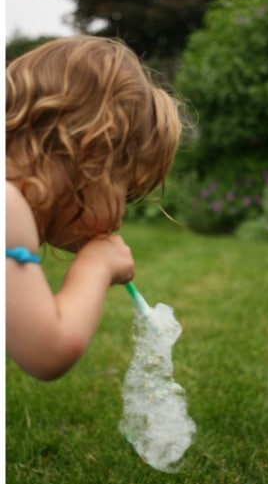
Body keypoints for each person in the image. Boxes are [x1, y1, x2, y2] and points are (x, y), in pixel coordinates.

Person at [6, 36, 182, 381]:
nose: (118, 218)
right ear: (95, 152)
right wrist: (96, 265)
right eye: (125, 192)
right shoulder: (8, 208)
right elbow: (48, 352)